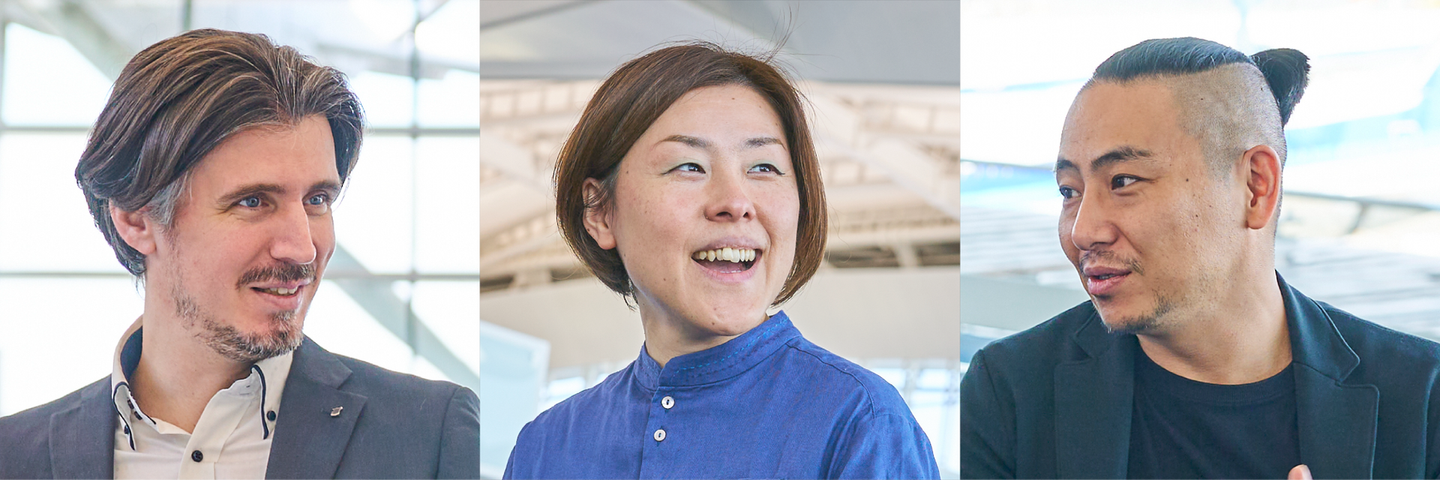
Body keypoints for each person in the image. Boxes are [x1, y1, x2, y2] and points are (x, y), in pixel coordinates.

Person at [0, 29, 478, 479]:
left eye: (317, 200)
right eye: (253, 202)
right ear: (136, 221)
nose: (302, 248)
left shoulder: (429, 436)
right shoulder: (14, 456)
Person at [961, 37, 1440, 479]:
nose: (1082, 231)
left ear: (1255, 187)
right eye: (1069, 191)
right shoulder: (1010, 392)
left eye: (1123, 181)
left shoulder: (1423, 399)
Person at [501, 42, 940, 479]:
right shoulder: (545, 447)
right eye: (689, 166)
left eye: (763, 167)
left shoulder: (861, 424)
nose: (735, 202)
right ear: (599, 211)